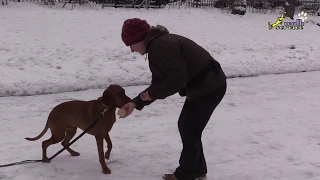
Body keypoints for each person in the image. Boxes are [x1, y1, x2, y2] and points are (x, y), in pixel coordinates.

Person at [119, 18, 227, 180]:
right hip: (205, 84)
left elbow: (177, 79)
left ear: (138, 39)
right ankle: (196, 169)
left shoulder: (160, 47)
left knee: (189, 127)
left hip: (209, 86)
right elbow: (159, 82)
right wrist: (136, 102)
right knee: (189, 127)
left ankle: (186, 174)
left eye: (131, 45)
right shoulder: (157, 45)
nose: (132, 50)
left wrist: (153, 93)